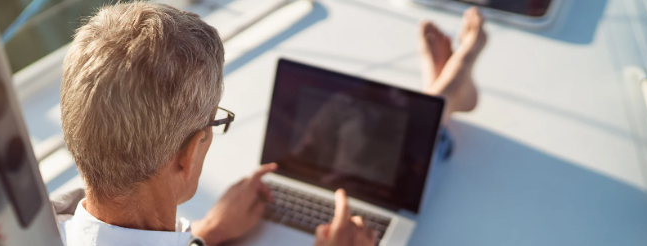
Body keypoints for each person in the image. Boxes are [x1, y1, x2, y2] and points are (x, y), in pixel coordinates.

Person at [57, 2, 486, 246]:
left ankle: (447, 94)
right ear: (187, 157)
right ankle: (449, 92)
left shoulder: (44, 222)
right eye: (213, 125)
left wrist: (207, 233)